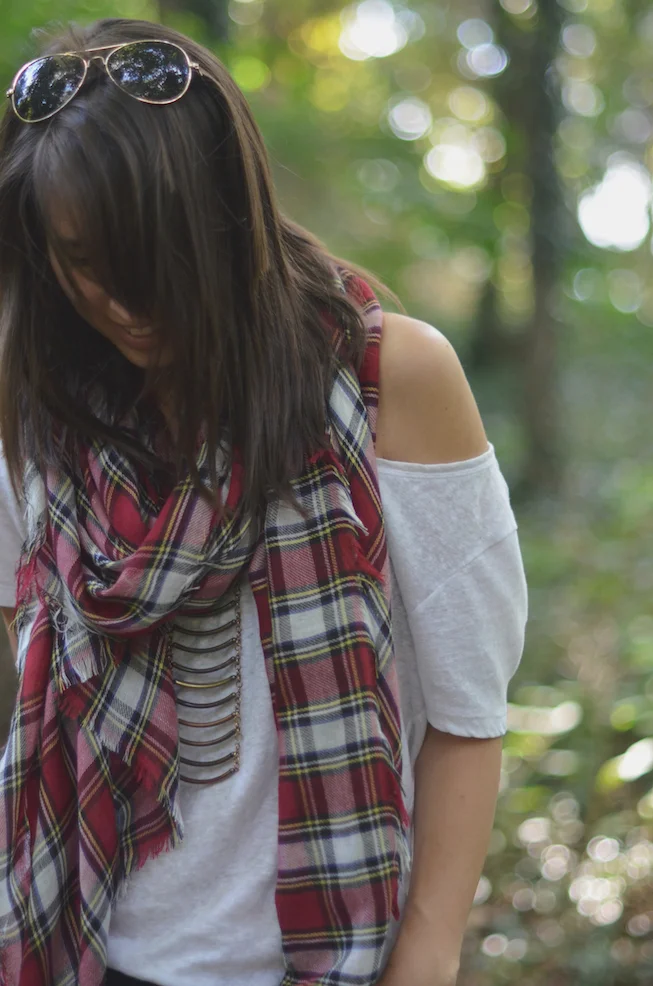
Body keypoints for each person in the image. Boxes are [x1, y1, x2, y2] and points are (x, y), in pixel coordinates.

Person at [0, 17, 527, 986]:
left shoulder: (388, 377)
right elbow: (21, 633)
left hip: (326, 957)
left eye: (144, 255)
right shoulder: (40, 400)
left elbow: (468, 713)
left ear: (223, 217)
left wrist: (427, 950)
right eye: (78, 260)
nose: (117, 298)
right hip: (82, 945)